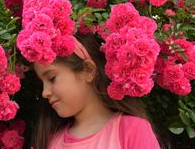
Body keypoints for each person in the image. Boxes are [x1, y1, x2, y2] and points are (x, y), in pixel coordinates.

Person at [32, 33, 161, 149]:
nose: (45, 92)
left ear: (88, 70)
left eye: (52, 78)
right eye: (42, 83)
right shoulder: (47, 142)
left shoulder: (131, 131)